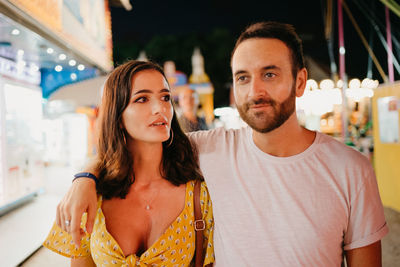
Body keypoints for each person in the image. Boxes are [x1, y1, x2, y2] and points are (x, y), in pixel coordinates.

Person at [57, 22, 388, 266]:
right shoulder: (209, 149)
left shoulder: (351, 170)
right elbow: (130, 150)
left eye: (269, 74)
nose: (254, 90)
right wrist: (84, 179)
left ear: (300, 81)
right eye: (243, 77)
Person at [44, 60, 214, 266]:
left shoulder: (199, 194)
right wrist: (85, 178)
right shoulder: (90, 196)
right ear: (117, 116)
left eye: (165, 97)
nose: (159, 108)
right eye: (142, 99)